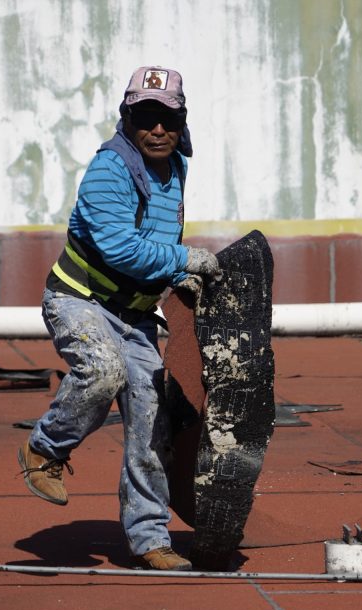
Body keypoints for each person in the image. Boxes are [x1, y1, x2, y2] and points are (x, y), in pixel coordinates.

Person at [17, 66, 222, 571]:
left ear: (183, 122)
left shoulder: (175, 166)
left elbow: (155, 238)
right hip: (78, 300)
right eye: (145, 118)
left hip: (134, 314)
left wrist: (178, 275)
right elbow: (122, 249)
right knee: (102, 371)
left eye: (168, 119)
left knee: (153, 422)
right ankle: (44, 450)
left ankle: (150, 538)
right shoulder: (109, 169)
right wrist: (185, 260)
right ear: (126, 119)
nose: (158, 129)